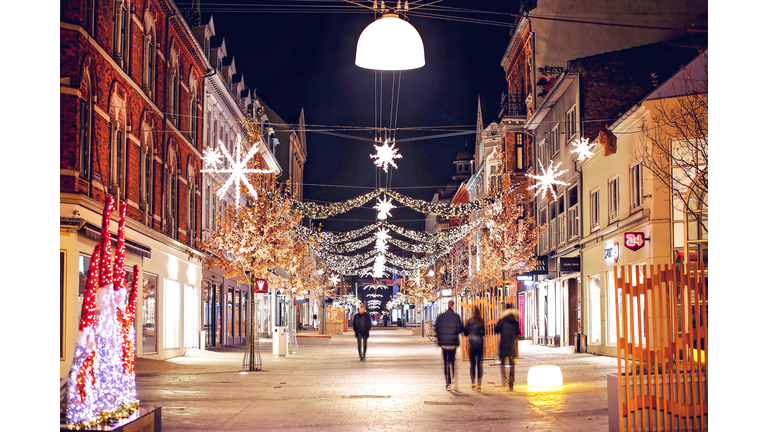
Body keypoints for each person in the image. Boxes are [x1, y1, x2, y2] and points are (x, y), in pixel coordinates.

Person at [434, 300, 464, 390]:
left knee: (446, 362)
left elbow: (437, 328)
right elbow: (460, 329)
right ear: (453, 306)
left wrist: (440, 338)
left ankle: (448, 382)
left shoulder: (441, 317)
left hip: (444, 343)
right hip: (453, 343)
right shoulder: (456, 316)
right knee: (452, 361)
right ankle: (454, 379)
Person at [494, 303, 521, 391]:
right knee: (512, 364)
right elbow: (518, 333)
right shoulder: (515, 321)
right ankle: (511, 383)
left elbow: (496, 330)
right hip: (512, 344)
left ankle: (504, 381)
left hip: (503, 344)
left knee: (503, 363)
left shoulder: (502, 320)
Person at [463, 306, 485, 391]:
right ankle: (479, 383)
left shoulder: (470, 321)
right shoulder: (481, 321)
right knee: (479, 364)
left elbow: (465, 333)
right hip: (480, 344)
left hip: (472, 344)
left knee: (472, 364)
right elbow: (484, 333)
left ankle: (473, 383)